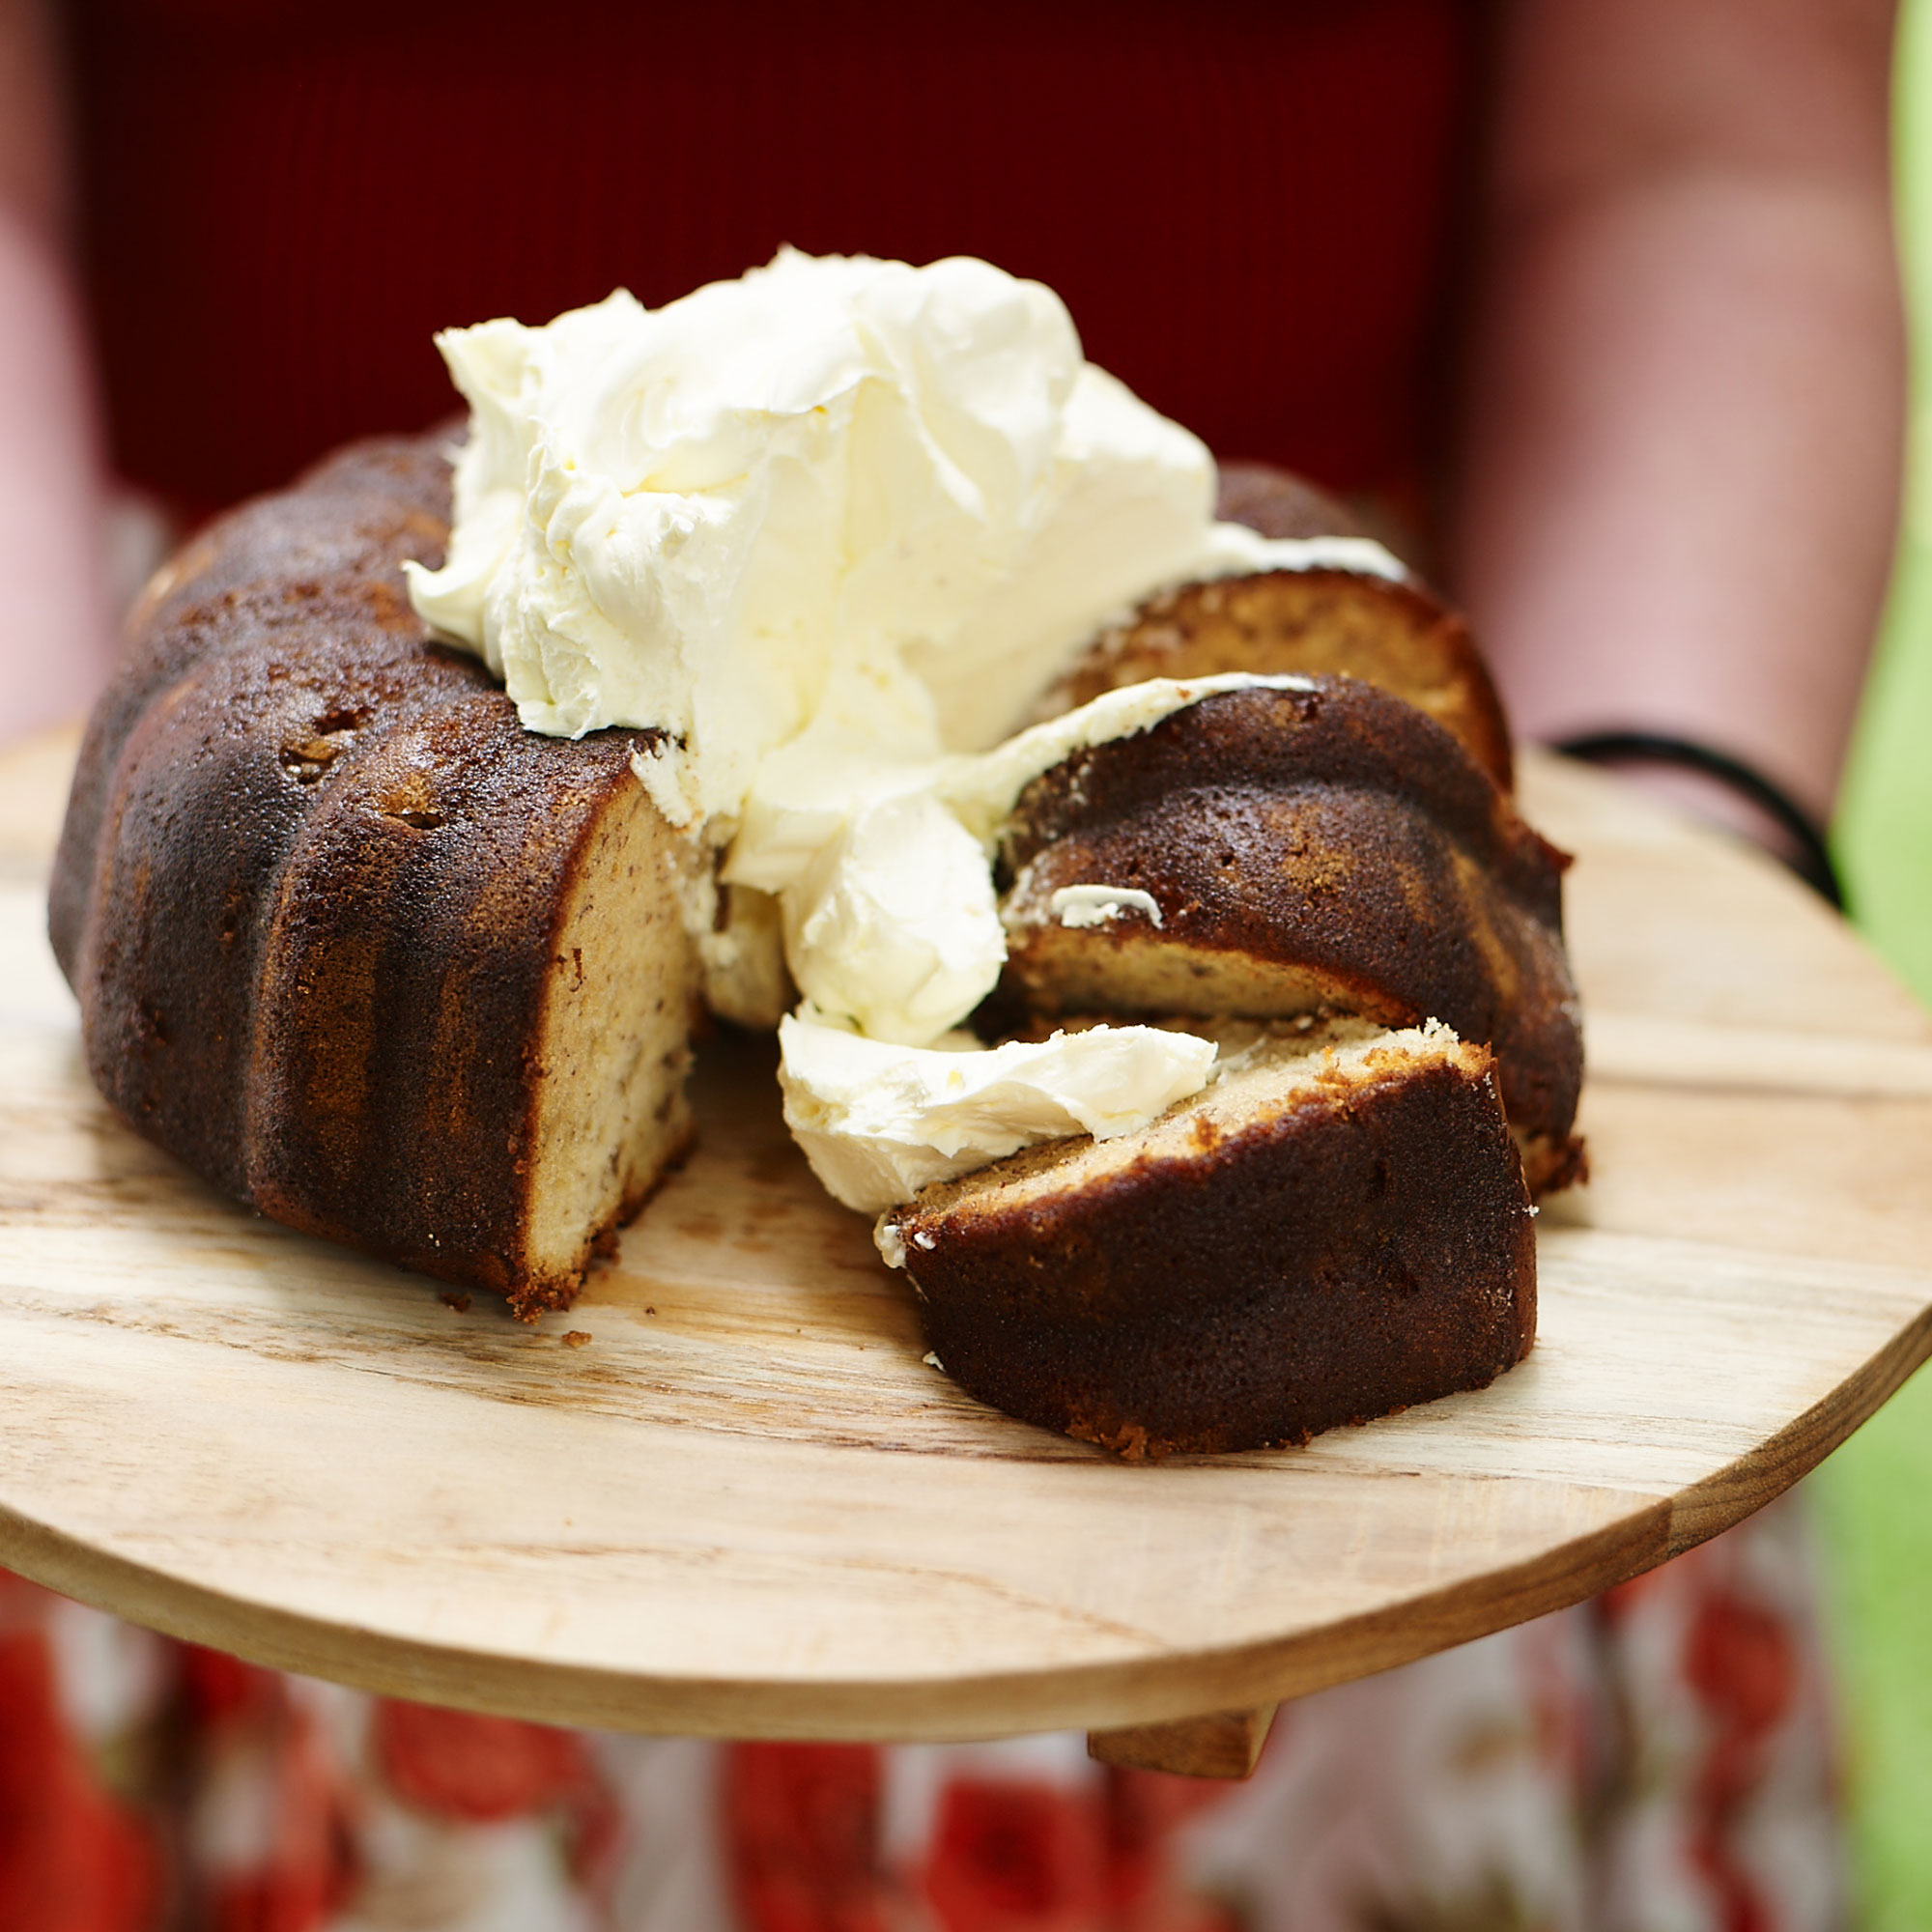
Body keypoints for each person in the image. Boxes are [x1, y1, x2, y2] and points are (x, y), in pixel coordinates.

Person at [0, 1, 1904, 1927]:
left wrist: (1633, 848)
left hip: (1266, 733)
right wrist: (97, 806)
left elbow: (1700, 154)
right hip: (323, 708)